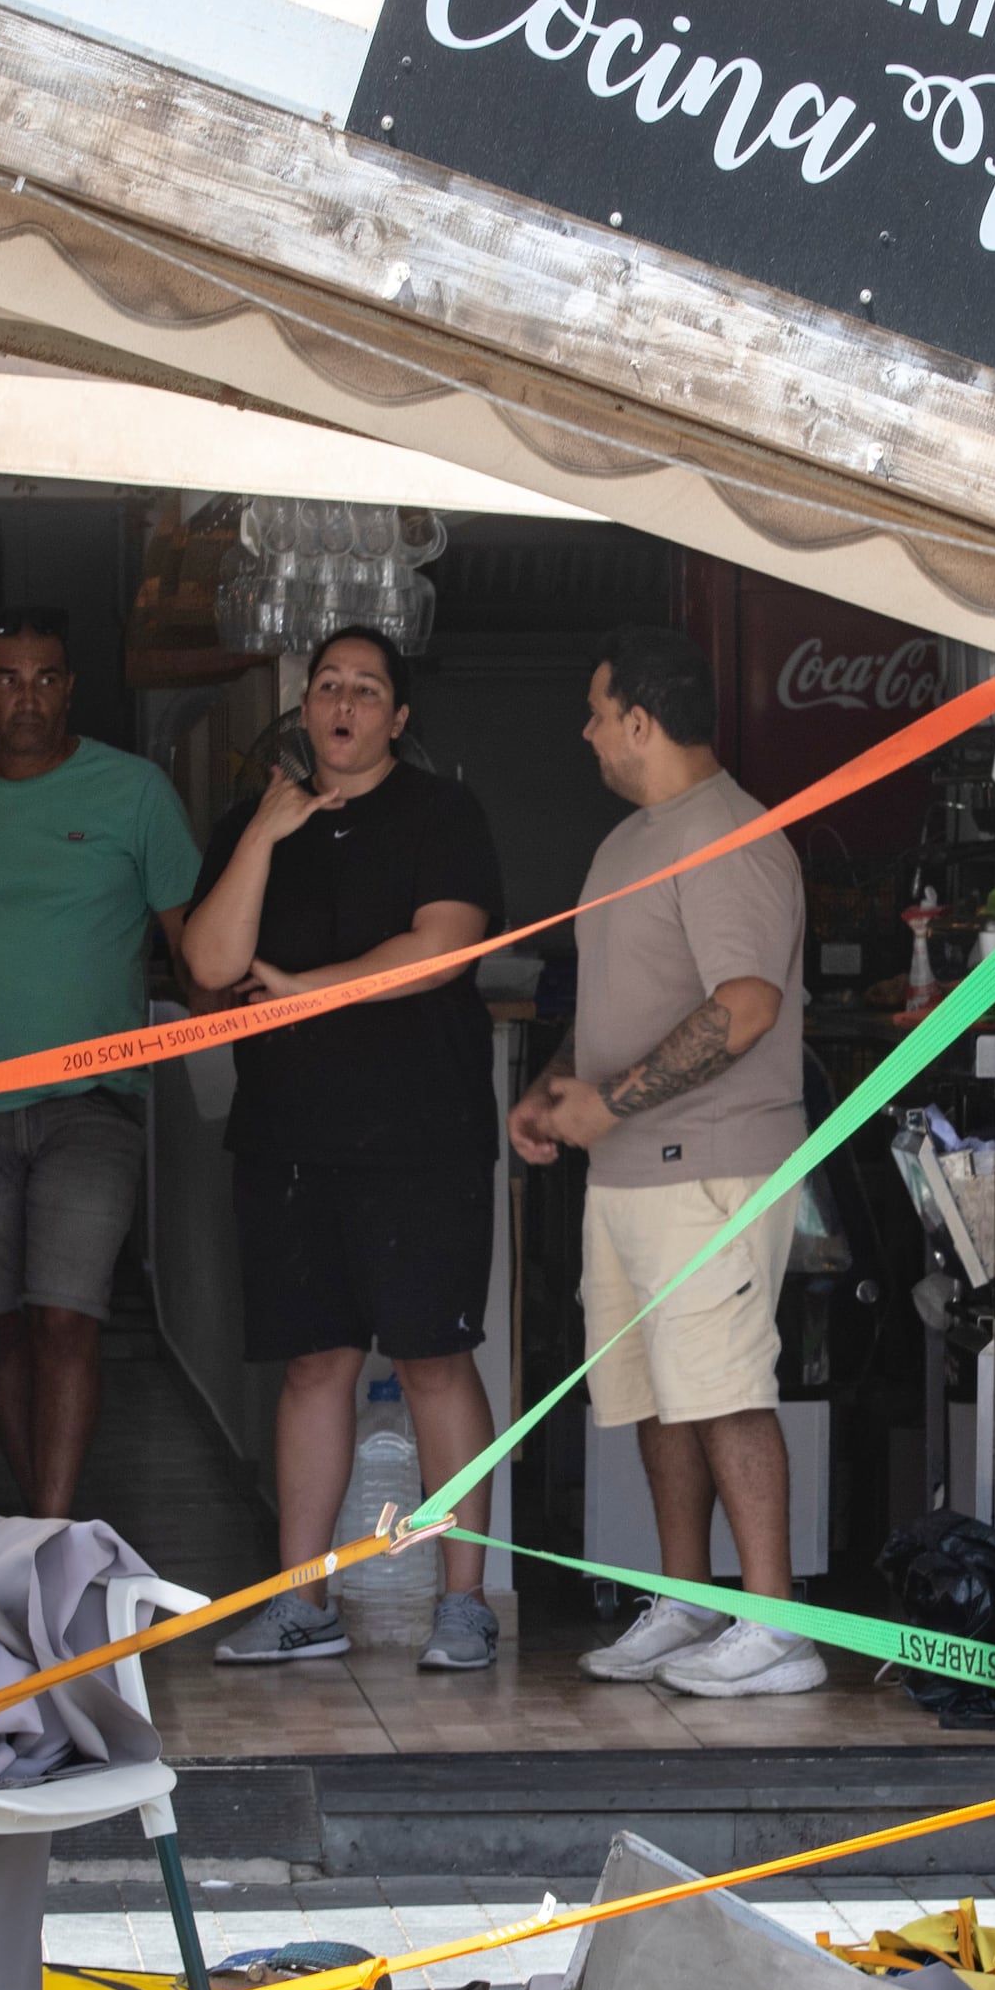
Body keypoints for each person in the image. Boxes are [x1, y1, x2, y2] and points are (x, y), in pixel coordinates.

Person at [178, 625, 511, 1673]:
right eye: (328, 686)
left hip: (421, 1133)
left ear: (397, 718)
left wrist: (303, 992)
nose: (343, 705)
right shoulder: (253, 822)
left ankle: (463, 1602)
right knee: (312, 1364)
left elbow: (442, 950)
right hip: (289, 1137)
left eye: (367, 691)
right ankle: (301, 1598)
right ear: (304, 707)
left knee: (431, 1360)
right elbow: (207, 960)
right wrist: (263, 836)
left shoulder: (439, 813)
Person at [509, 624, 821, 1697]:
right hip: (631, 1168)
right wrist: (560, 1090)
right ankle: (688, 1598)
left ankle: (774, 1625)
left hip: (710, 1165)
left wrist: (615, 1098)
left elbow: (743, 1007)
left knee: (724, 1388)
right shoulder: (631, 837)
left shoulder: (727, 836)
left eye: (598, 713)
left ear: (640, 720)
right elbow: (614, 1000)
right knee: (654, 1396)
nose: (587, 732)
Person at [0, 606, 198, 1519]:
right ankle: (38, 1526)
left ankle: (52, 1533)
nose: (29, 697)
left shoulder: (133, 792)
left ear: (72, 688)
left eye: (47, 677)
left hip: (92, 1103)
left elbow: (198, 944)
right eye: (8, 679)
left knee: (67, 1317)